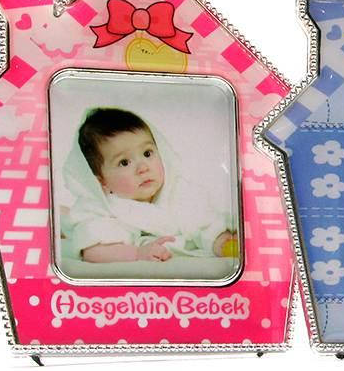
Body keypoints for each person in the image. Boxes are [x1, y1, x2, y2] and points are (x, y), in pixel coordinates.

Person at [62, 107, 236, 264]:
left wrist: (221, 241)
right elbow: (93, 250)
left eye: (147, 153)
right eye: (124, 162)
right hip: (93, 222)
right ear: (101, 181)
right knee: (72, 224)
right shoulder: (101, 208)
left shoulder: (178, 191)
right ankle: (63, 220)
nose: (143, 168)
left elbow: (205, 223)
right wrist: (137, 253)